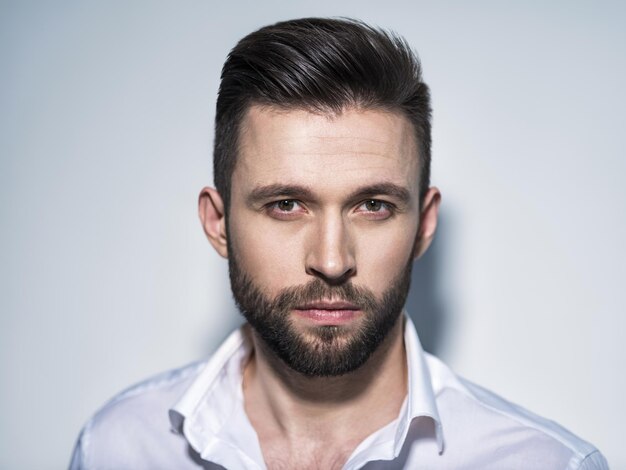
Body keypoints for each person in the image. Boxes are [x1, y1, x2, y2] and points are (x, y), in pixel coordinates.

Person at [69, 18, 607, 469]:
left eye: (373, 206)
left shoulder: (546, 464)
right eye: (285, 205)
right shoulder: (118, 447)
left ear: (422, 225)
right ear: (218, 223)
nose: (331, 261)